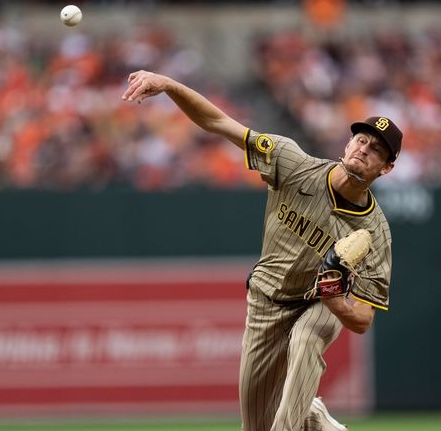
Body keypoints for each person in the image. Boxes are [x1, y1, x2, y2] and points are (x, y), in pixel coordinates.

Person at [122, 71, 401, 431]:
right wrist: (170, 85)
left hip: (318, 302)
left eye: (376, 149)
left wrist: (333, 296)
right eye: (361, 140)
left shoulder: (375, 232)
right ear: (347, 144)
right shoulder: (294, 165)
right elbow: (218, 121)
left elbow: (362, 319)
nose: (364, 149)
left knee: (307, 337)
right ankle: (314, 418)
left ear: (387, 167)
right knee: (254, 425)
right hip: (266, 302)